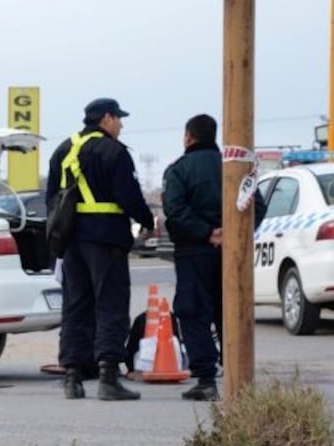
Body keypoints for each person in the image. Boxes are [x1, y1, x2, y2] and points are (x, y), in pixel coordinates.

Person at [45, 98, 155, 400]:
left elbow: (51, 198)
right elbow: (129, 196)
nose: (121, 124)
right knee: (111, 305)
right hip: (106, 238)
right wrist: (147, 220)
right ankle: (108, 377)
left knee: (75, 306)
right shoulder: (113, 152)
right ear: (106, 119)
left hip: (70, 241)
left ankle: (72, 377)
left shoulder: (63, 150)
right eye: (118, 119)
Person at [162, 114, 266, 401]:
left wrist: (207, 233)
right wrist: (233, 234)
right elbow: (257, 204)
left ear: (188, 137)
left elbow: (174, 210)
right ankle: (238, 378)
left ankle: (206, 380)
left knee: (193, 312)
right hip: (232, 255)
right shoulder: (235, 169)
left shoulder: (179, 170)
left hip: (194, 252)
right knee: (230, 310)